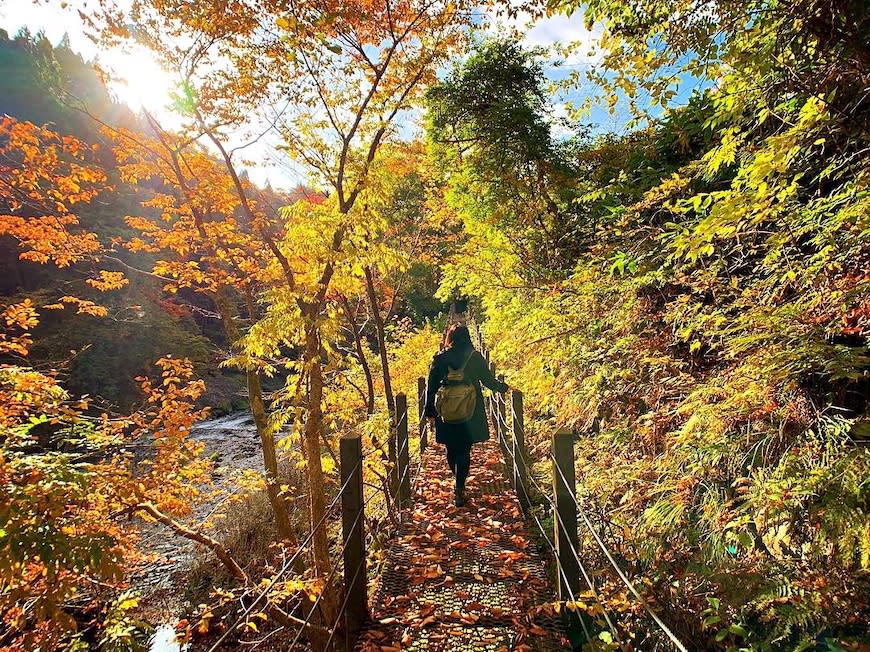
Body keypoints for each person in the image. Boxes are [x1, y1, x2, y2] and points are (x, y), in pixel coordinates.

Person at [424, 324, 508, 506]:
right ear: (468, 336)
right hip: (470, 409)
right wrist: (503, 388)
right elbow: (488, 381)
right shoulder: (475, 357)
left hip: (446, 409)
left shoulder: (440, 358)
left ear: (450, 337)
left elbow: (431, 386)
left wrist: (429, 408)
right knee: (464, 449)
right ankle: (460, 486)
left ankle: (458, 481)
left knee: (451, 448)